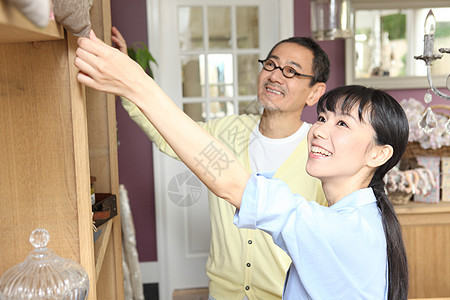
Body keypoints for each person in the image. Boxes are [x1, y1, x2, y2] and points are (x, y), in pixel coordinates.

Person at [74, 31, 409, 299]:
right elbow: (178, 138)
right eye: (323, 118)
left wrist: (136, 82)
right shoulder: (361, 215)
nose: (320, 129)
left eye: (342, 124)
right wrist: (132, 88)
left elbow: (234, 184)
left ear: (379, 155)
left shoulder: (344, 228)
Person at [109, 27, 330, 299]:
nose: (274, 75)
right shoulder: (226, 132)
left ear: (314, 92)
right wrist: (130, 82)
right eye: (271, 64)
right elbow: (168, 133)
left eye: (291, 71)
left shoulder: (320, 150)